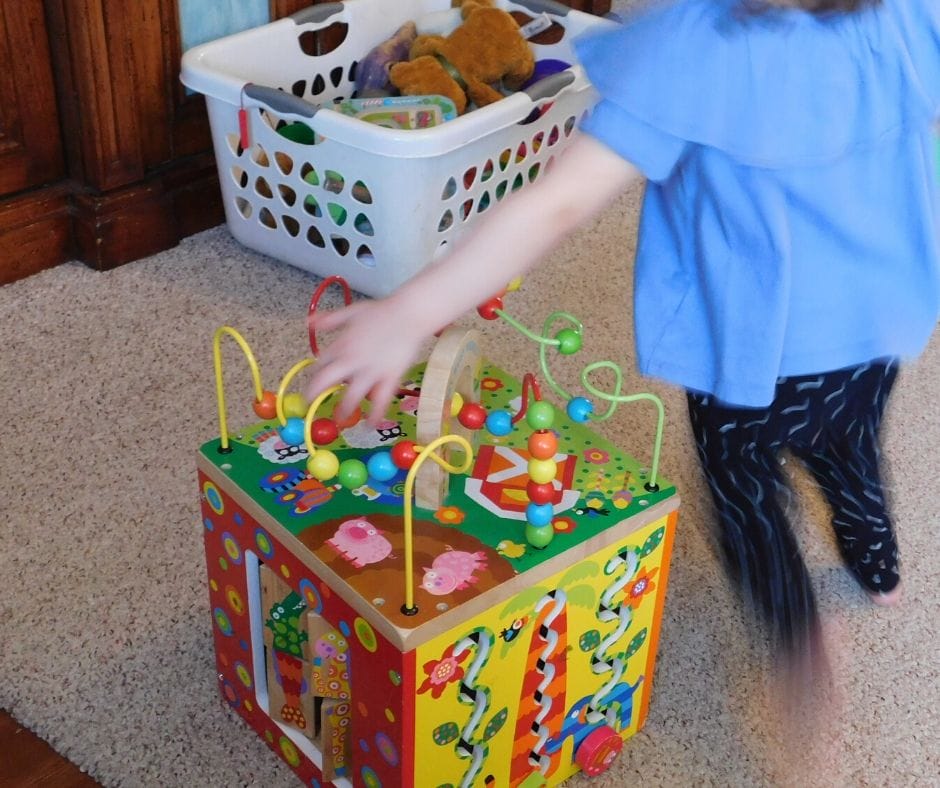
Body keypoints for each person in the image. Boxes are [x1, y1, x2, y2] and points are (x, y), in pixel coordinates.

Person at [307, 0, 940, 664]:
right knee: (848, 443)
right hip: (873, 327)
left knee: (746, 496)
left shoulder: (696, 47)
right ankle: (878, 563)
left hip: (755, 347)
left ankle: (797, 650)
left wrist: (410, 312)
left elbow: (558, 204)